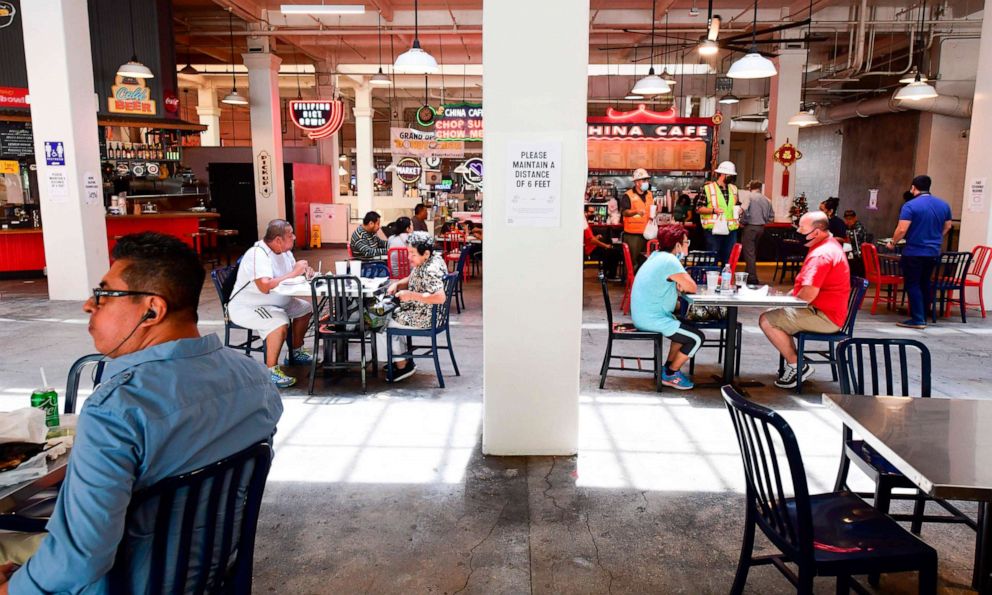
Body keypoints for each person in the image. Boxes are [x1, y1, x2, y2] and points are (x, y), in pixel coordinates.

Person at [0, 233, 282, 594]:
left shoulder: (115, 410)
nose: (89, 304)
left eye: (103, 294)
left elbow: (81, 557)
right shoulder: (255, 379)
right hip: (205, 578)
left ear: (152, 309)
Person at [759, 211, 851, 389]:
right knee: (774, 314)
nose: (798, 231)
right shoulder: (829, 245)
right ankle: (795, 360)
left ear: (816, 232)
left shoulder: (821, 255)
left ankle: (797, 365)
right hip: (827, 311)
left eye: (801, 227)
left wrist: (784, 302)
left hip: (825, 316)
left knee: (767, 320)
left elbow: (808, 295)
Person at [228, 219, 313, 388]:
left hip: (278, 301)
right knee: (279, 322)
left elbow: (291, 274)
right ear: (278, 239)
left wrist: (303, 272)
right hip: (251, 305)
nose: (294, 237)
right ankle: (270, 371)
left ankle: (295, 352)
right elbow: (264, 286)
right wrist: (294, 272)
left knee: (306, 308)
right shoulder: (257, 254)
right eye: (290, 235)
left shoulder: (284, 251)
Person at [630, 225, 705, 390]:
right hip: (652, 319)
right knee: (697, 338)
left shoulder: (656, 256)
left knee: (687, 327)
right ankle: (671, 373)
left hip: (645, 314)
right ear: (677, 245)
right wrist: (681, 282)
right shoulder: (670, 260)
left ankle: (668, 368)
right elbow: (692, 287)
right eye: (686, 242)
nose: (688, 245)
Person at [379, 231, 449, 382]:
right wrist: (397, 284)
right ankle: (399, 357)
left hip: (424, 318)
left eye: (412, 254)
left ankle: (402, 365)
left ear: (426, 253)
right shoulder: (431, 260)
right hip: (422, 313)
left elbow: (440, 297)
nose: (409, 257)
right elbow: (412, 277)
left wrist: (411, 295)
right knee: (391, 314)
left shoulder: (430, 270)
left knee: (380, 323)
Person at [886, 174, 953, 329]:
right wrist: (937, 237)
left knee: (913, 284)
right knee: (925, 283)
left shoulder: (910, 205)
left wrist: (893, 242)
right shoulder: (943, 204)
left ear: (913, 188)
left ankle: (917, 319)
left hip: (914, 251)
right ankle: (923, 315)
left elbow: (902, 229)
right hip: (933, 252)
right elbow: (948, 226)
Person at [698, 161, 740, 266]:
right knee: (713, 258)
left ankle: (725, 279)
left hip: (731, 229)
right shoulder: (708, 189)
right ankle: (712, 279)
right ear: (723, 174)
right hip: (713, 230)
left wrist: (740, 210)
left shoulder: (734, 189)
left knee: (728, 259)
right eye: (731, 175)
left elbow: (736, 204)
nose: (732, 178)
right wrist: (713, 210)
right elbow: (699, 208)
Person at [740, 180, 774, 285]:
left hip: (750, 227)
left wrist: (743, 220)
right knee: (752, 252)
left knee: (749, 253)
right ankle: (748, 275)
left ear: (750, 187)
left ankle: (752, 278)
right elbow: (771, 217)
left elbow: (744, 209)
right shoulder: (767, 200)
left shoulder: (749, 196)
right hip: (761, 228)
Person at [619, 168, 652, 270]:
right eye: (644, 180)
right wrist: (636, 211)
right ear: (637, 182)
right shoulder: (628, 195)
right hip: (633, 236)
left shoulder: (649, 194)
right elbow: (624, 212)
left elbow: (649, 211)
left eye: (647, 180)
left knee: (646, 262)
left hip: (647, 234)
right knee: (632, 262)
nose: (646, 182)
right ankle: (631, 284)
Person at [844, 209, 870, 275]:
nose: (848, 221)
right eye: (847, 219)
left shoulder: (859, 227)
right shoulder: (847, 227)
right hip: (851, 253)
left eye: (850, 219)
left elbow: (853, 236)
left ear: (855, 218)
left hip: (860, 255)